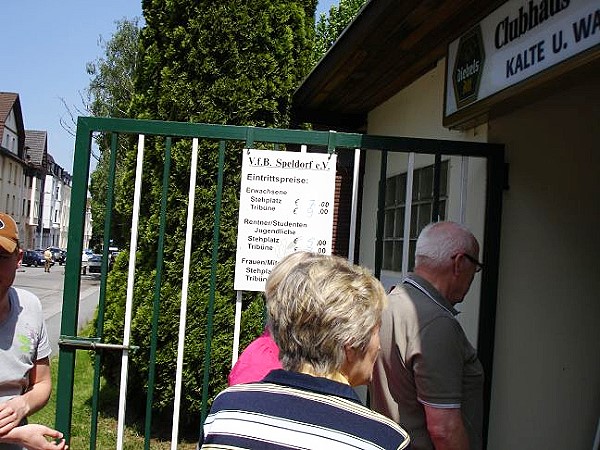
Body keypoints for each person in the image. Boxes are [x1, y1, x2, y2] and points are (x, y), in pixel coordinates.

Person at [201, 252, 410, 449]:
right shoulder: (383, 440)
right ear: (351, 344)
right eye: (375, 331)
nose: (379, 345)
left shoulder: (227, 411)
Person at [370, 221, 484, 450]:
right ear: (460, 263)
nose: (474, 276)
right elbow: (444, 430)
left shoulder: (388, 304)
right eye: (476, 266)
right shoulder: (437, 323)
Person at [0, 213, 67, 450]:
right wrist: (16, 435)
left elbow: (42, 383)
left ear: (18, 258)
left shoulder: (30, 306)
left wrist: (23, 405)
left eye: (1, 257)